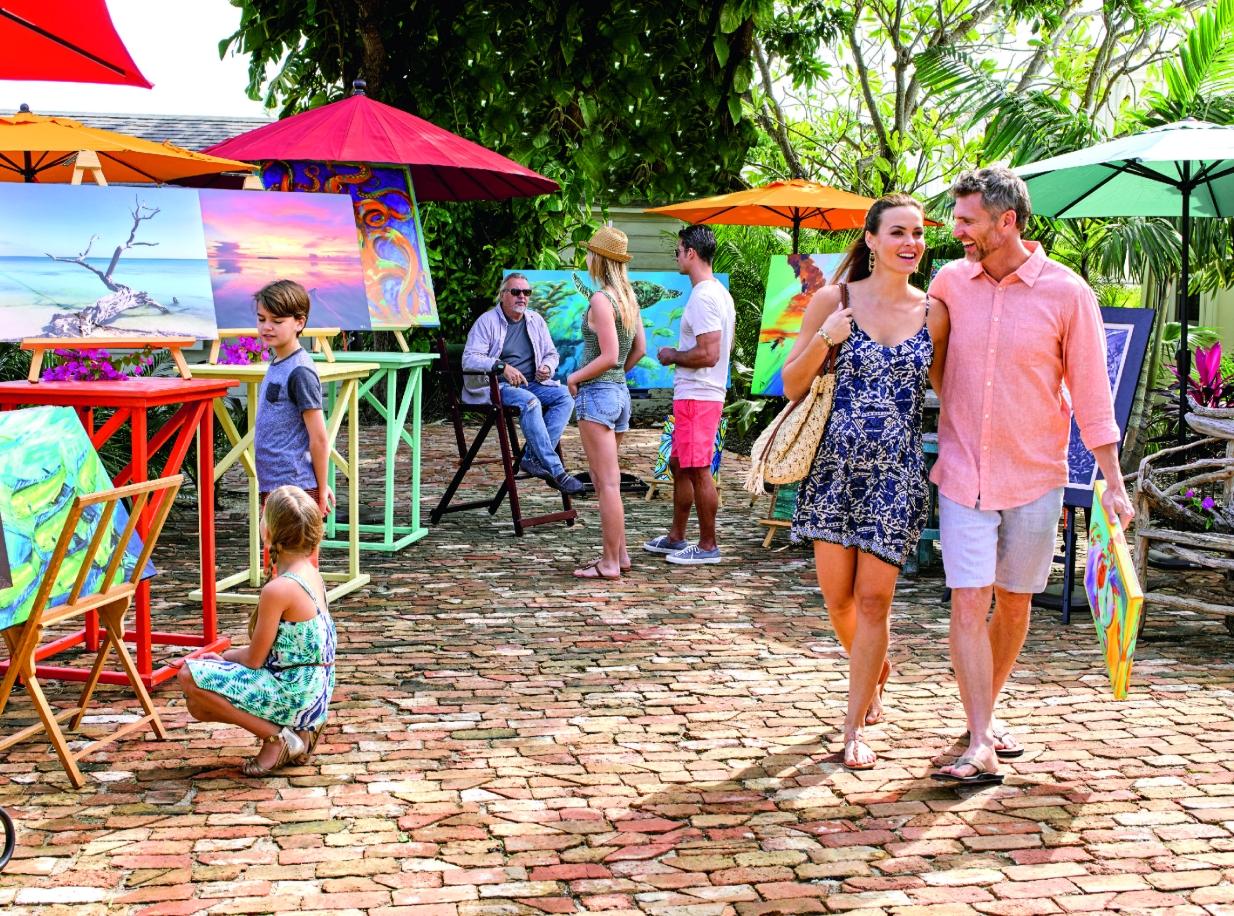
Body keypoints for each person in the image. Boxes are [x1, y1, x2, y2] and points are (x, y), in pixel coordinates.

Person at [929, 167, 1132, 785]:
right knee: (968, 599)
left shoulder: (1068, 293)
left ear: (1006, 220)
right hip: (962, 470)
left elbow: (1091, 394)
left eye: (967, 220)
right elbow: (928, 361)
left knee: (1014, 603)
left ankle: (979, 720)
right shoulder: (948, 283)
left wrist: (1114, 481)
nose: (956, 230)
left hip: (1035, 476)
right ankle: (981, 741)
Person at [781, 194, 950, 771]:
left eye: (919, 233)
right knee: (839, 599)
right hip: (833, 471)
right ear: (872, 240)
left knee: (875, 601)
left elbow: (950, 395)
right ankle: (873, 665)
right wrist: (827, 336)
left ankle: (853, 726)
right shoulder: (835, 300)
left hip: (895, 477)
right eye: (898, 232)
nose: (911, 243)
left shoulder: (934, 313)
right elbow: (791, 385)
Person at [177, 486, 336, 776]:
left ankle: (278, 739)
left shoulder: (280, 589)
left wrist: (222, 658)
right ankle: (298, 734)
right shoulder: (311, 574)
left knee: (189, 676)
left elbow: (254, 659)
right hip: (313, 693)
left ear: (268, 532)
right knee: (197, 706)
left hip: (292, 692)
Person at [643, 225, 736, 565]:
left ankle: (708, 545)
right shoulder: (716, 293)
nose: (676, 257)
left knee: (698, 468)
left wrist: (672, 355)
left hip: (700, 395)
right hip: (694, 395)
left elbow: (708, 354)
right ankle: (676, 537)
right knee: (678, 463)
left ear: (691, 253)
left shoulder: (705, 296)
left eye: (678, 251)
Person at [567, 227, 647, 579]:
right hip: (618, 396)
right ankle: (622, 555)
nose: (586, 259)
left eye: (589, 253)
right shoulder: (628, 297)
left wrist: (576, 377)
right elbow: (638, 350)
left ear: (598, 258)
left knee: (607, 484)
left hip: (598, 397)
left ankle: (609, 563)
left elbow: (610, 354)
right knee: (606, 482)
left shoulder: (601, 299)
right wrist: (616, 379)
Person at [462, 273, 584, 496]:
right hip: (497, 387)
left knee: (565, 396)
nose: (522, 297)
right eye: (515, 292)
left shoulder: (535, 320)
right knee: (530, 402)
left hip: (533, 384)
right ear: (502, 295)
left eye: (526, 292)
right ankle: (557, 471)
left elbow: (551, 353)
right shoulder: (487, 322)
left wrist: (547, 367)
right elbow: (469, 358)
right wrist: (501, 367)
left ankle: (531, 458)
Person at [253, 279, 334, 519]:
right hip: (274, 487)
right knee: (277, 555)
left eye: (277, 321)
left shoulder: (300, 371)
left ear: (300, 323)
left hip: (295, 490)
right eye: (261, 319)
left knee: (297, 557)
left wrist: (320, 488)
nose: (267, 327)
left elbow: (319, 438)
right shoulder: (278, 362)